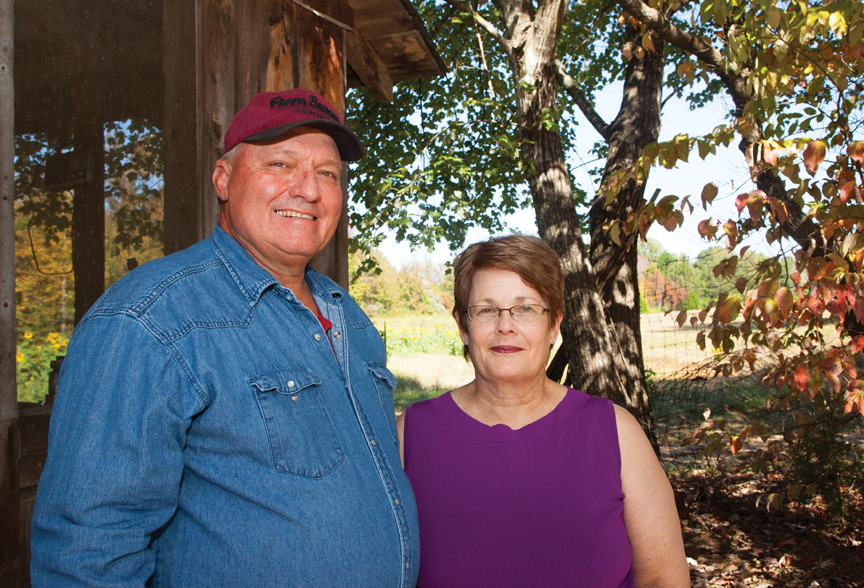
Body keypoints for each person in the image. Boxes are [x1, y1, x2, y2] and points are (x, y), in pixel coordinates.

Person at [31, 89, 419, 587]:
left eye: (328, 173)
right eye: (280, 164)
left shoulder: (351, 318)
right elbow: (86, 552)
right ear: (223, 178)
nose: (309, 189)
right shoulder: (148, 319)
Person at [398, 235, 690, 588]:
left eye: (526, 309)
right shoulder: (409, 436)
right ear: (463, 325)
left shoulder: (616, 433)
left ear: (554, 325)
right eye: (487, 309)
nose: (505, 325)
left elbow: (662, 578)